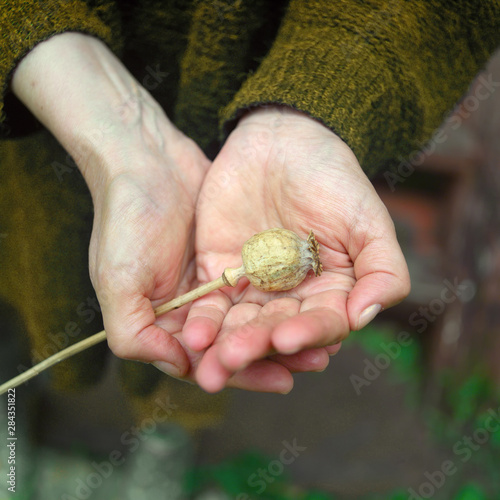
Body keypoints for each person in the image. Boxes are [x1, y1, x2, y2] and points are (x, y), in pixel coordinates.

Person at [1, 1, 499, 420]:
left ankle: (163, 434)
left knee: (188, 353)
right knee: (26, 292)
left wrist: (311, 107)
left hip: (277, 71)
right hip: (37, 144)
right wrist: (114, 128)